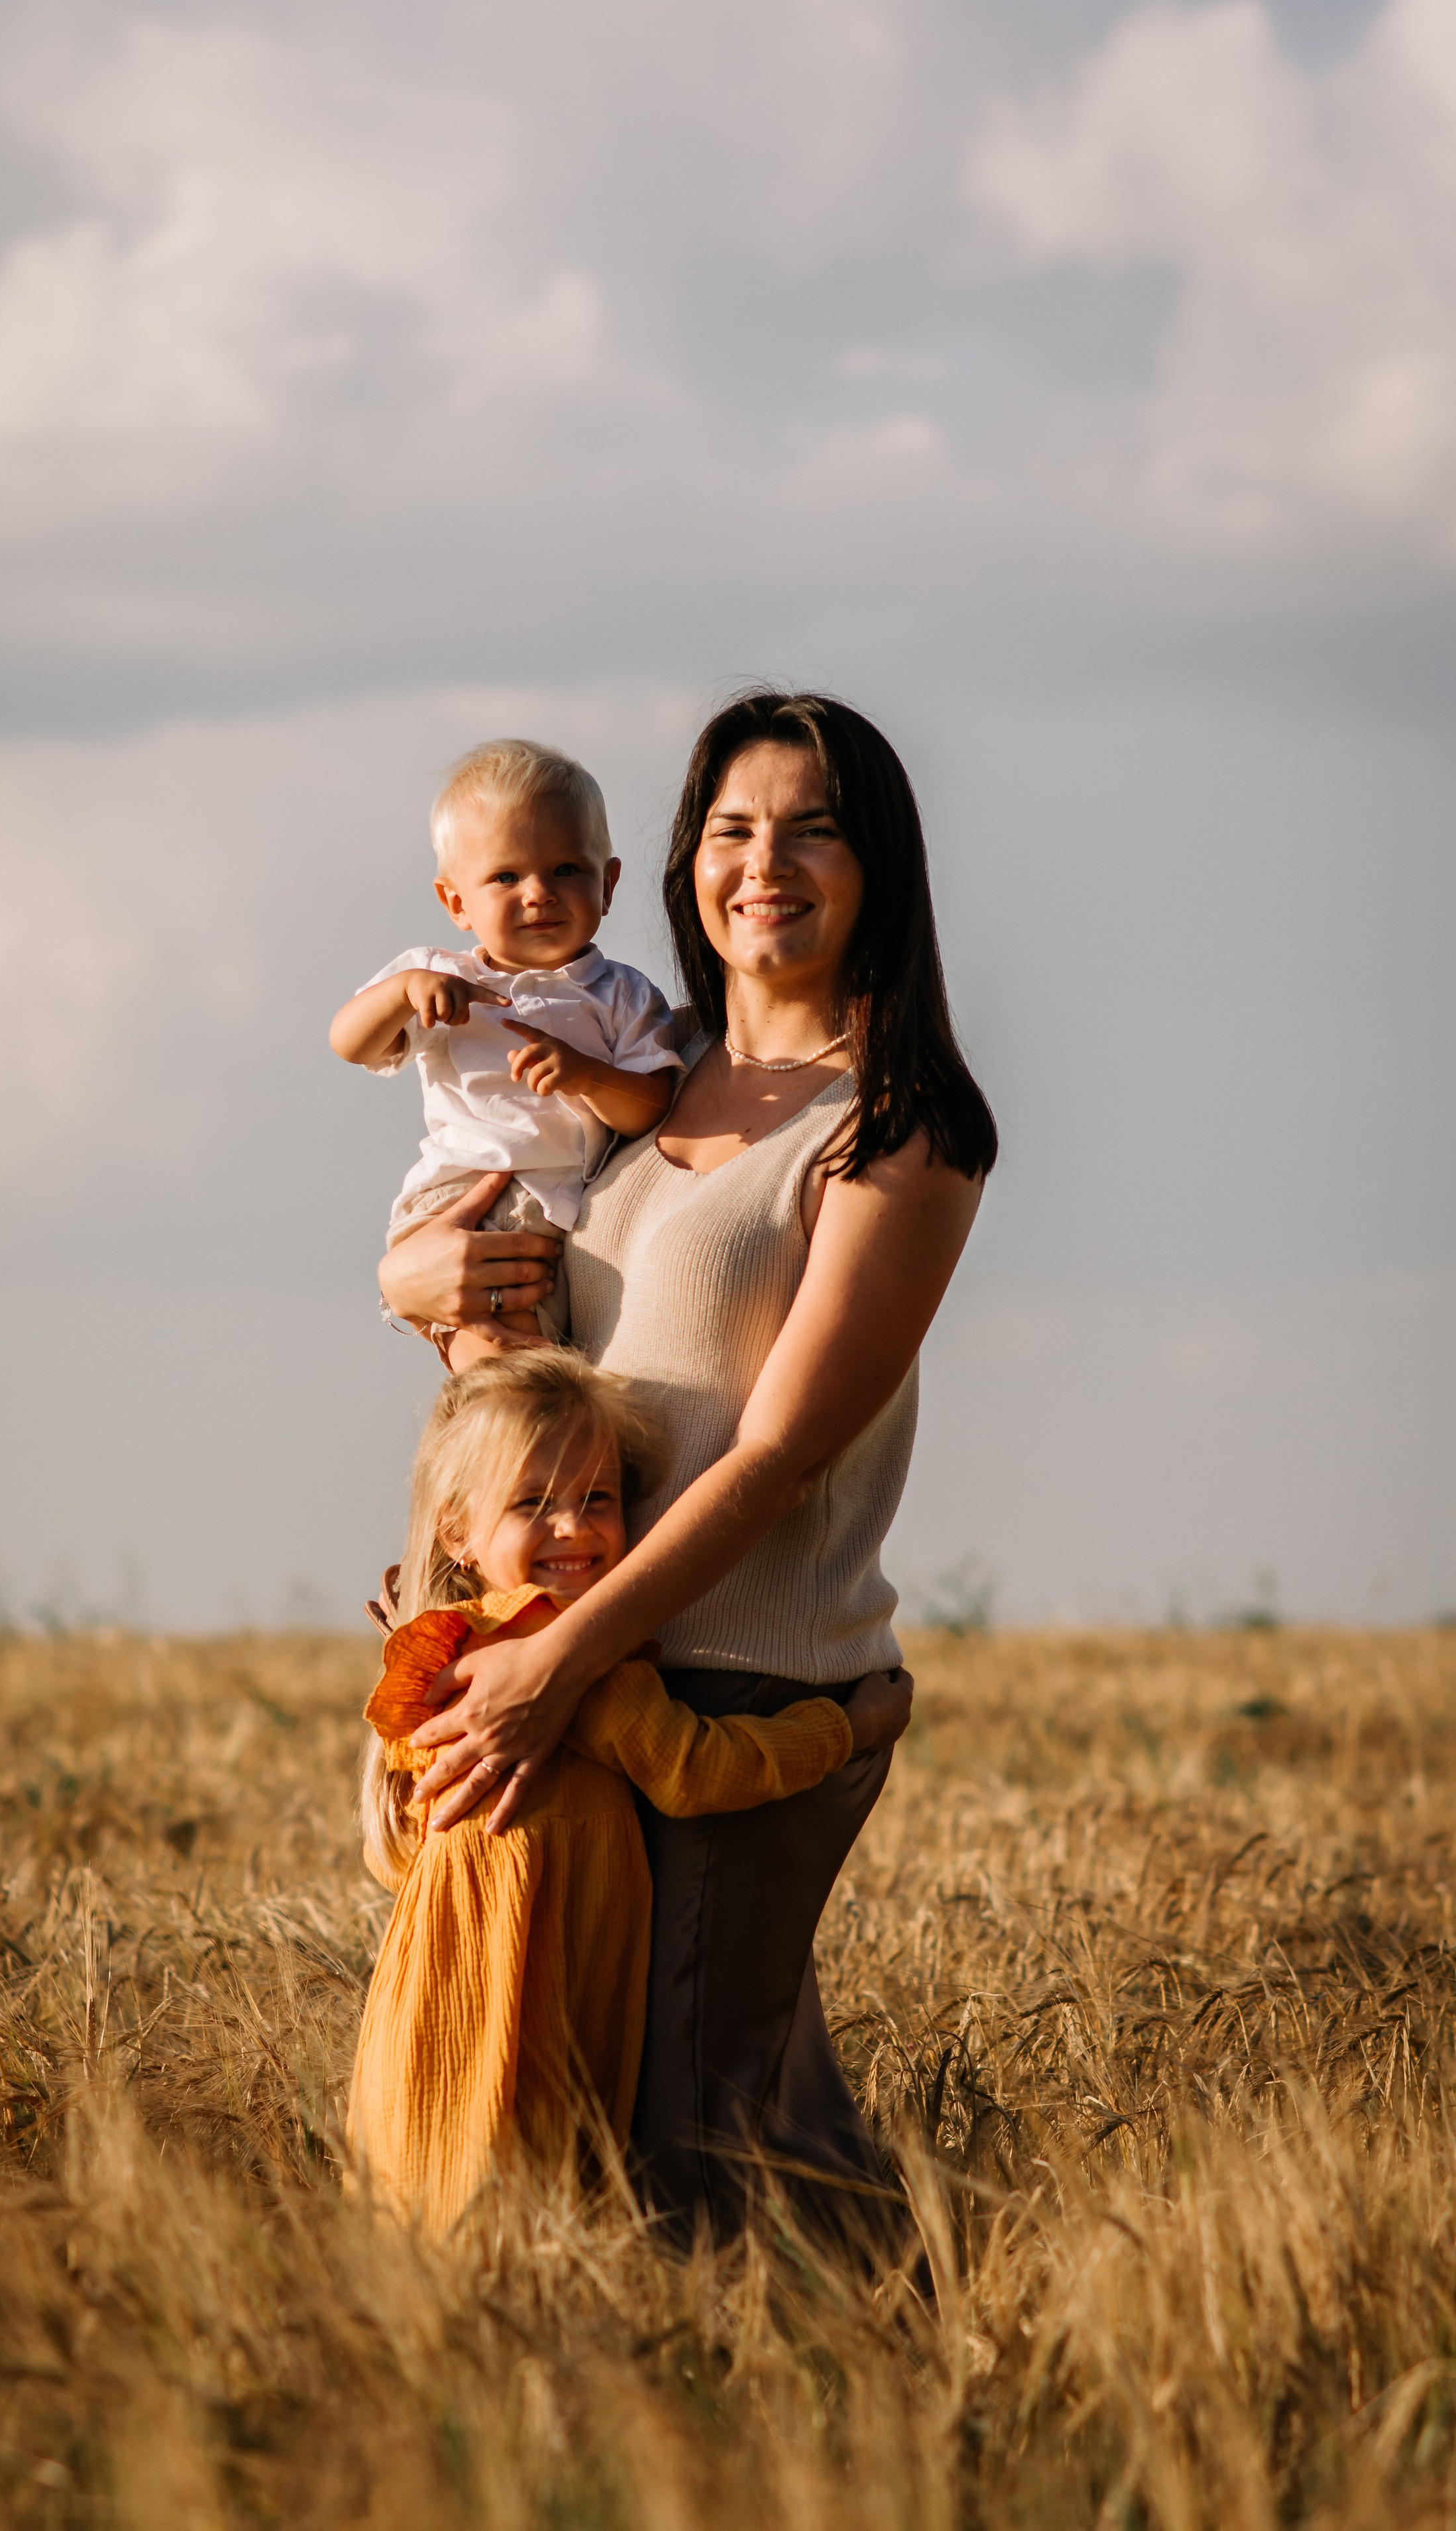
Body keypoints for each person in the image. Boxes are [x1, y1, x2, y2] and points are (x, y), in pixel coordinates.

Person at [375, 689, 997, 2240]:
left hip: (726, 1672)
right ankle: (929, 2423)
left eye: (810, 828)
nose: (761, 862)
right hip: (577, 1659)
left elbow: (782, 1445)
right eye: (729, 828)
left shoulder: (894, 1127)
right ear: (683, 859)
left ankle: (868, 2446)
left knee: (699, 2153)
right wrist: (414, 1292)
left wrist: (565, 1659)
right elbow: (534, 1370)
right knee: (641, 2125)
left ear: (879, 869)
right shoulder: (640, 1103)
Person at [346, 1348, 910, 2234]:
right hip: (528, 2012)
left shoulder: (451, 1648)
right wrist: (850, 1730)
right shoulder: (565, 1664)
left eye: (597, 1499)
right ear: (456, 1528)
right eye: (532, 1503)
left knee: (435, 2220)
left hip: (435, 2004)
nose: (573, 1528)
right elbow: (695, 1769)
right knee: (527, 2219)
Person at [329, 738, 683, 1369]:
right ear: (456, 902)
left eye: (567, 870)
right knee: (502, 1352)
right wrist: (403, 993)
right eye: (506, 876)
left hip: (558, 1214)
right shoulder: (439, 978)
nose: (539, 892)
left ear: (609, 883)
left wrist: (586, 1076)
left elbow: (649, 1105)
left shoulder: (621, 993)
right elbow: (350, 1043)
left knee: (540, 1360)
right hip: (465, 1192)